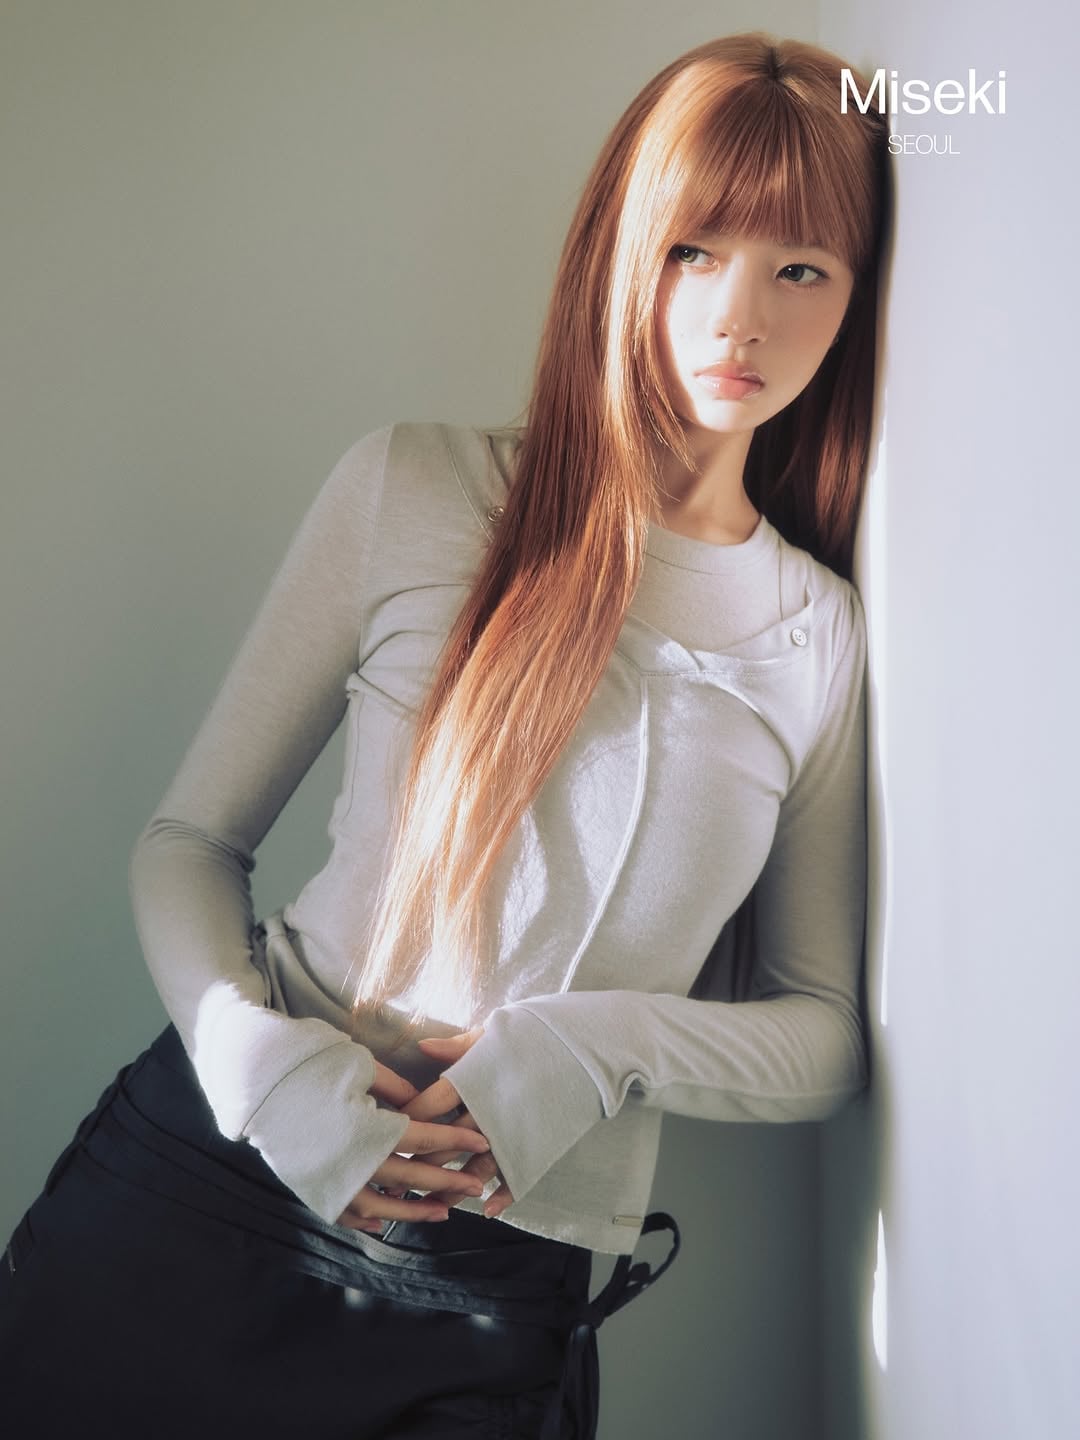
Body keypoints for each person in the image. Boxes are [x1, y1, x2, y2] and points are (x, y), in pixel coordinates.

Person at [0, 29, 890, 1440]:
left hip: (495, 1288)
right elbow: (189, 840)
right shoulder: (417, 488)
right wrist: (261, 1073)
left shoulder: (815, 632)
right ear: (618, 254)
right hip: (207, 1192)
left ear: (855, 297)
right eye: (692, 252)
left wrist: (594, 1048)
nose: (742, 318)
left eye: (802, 269)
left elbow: (823, 1035)